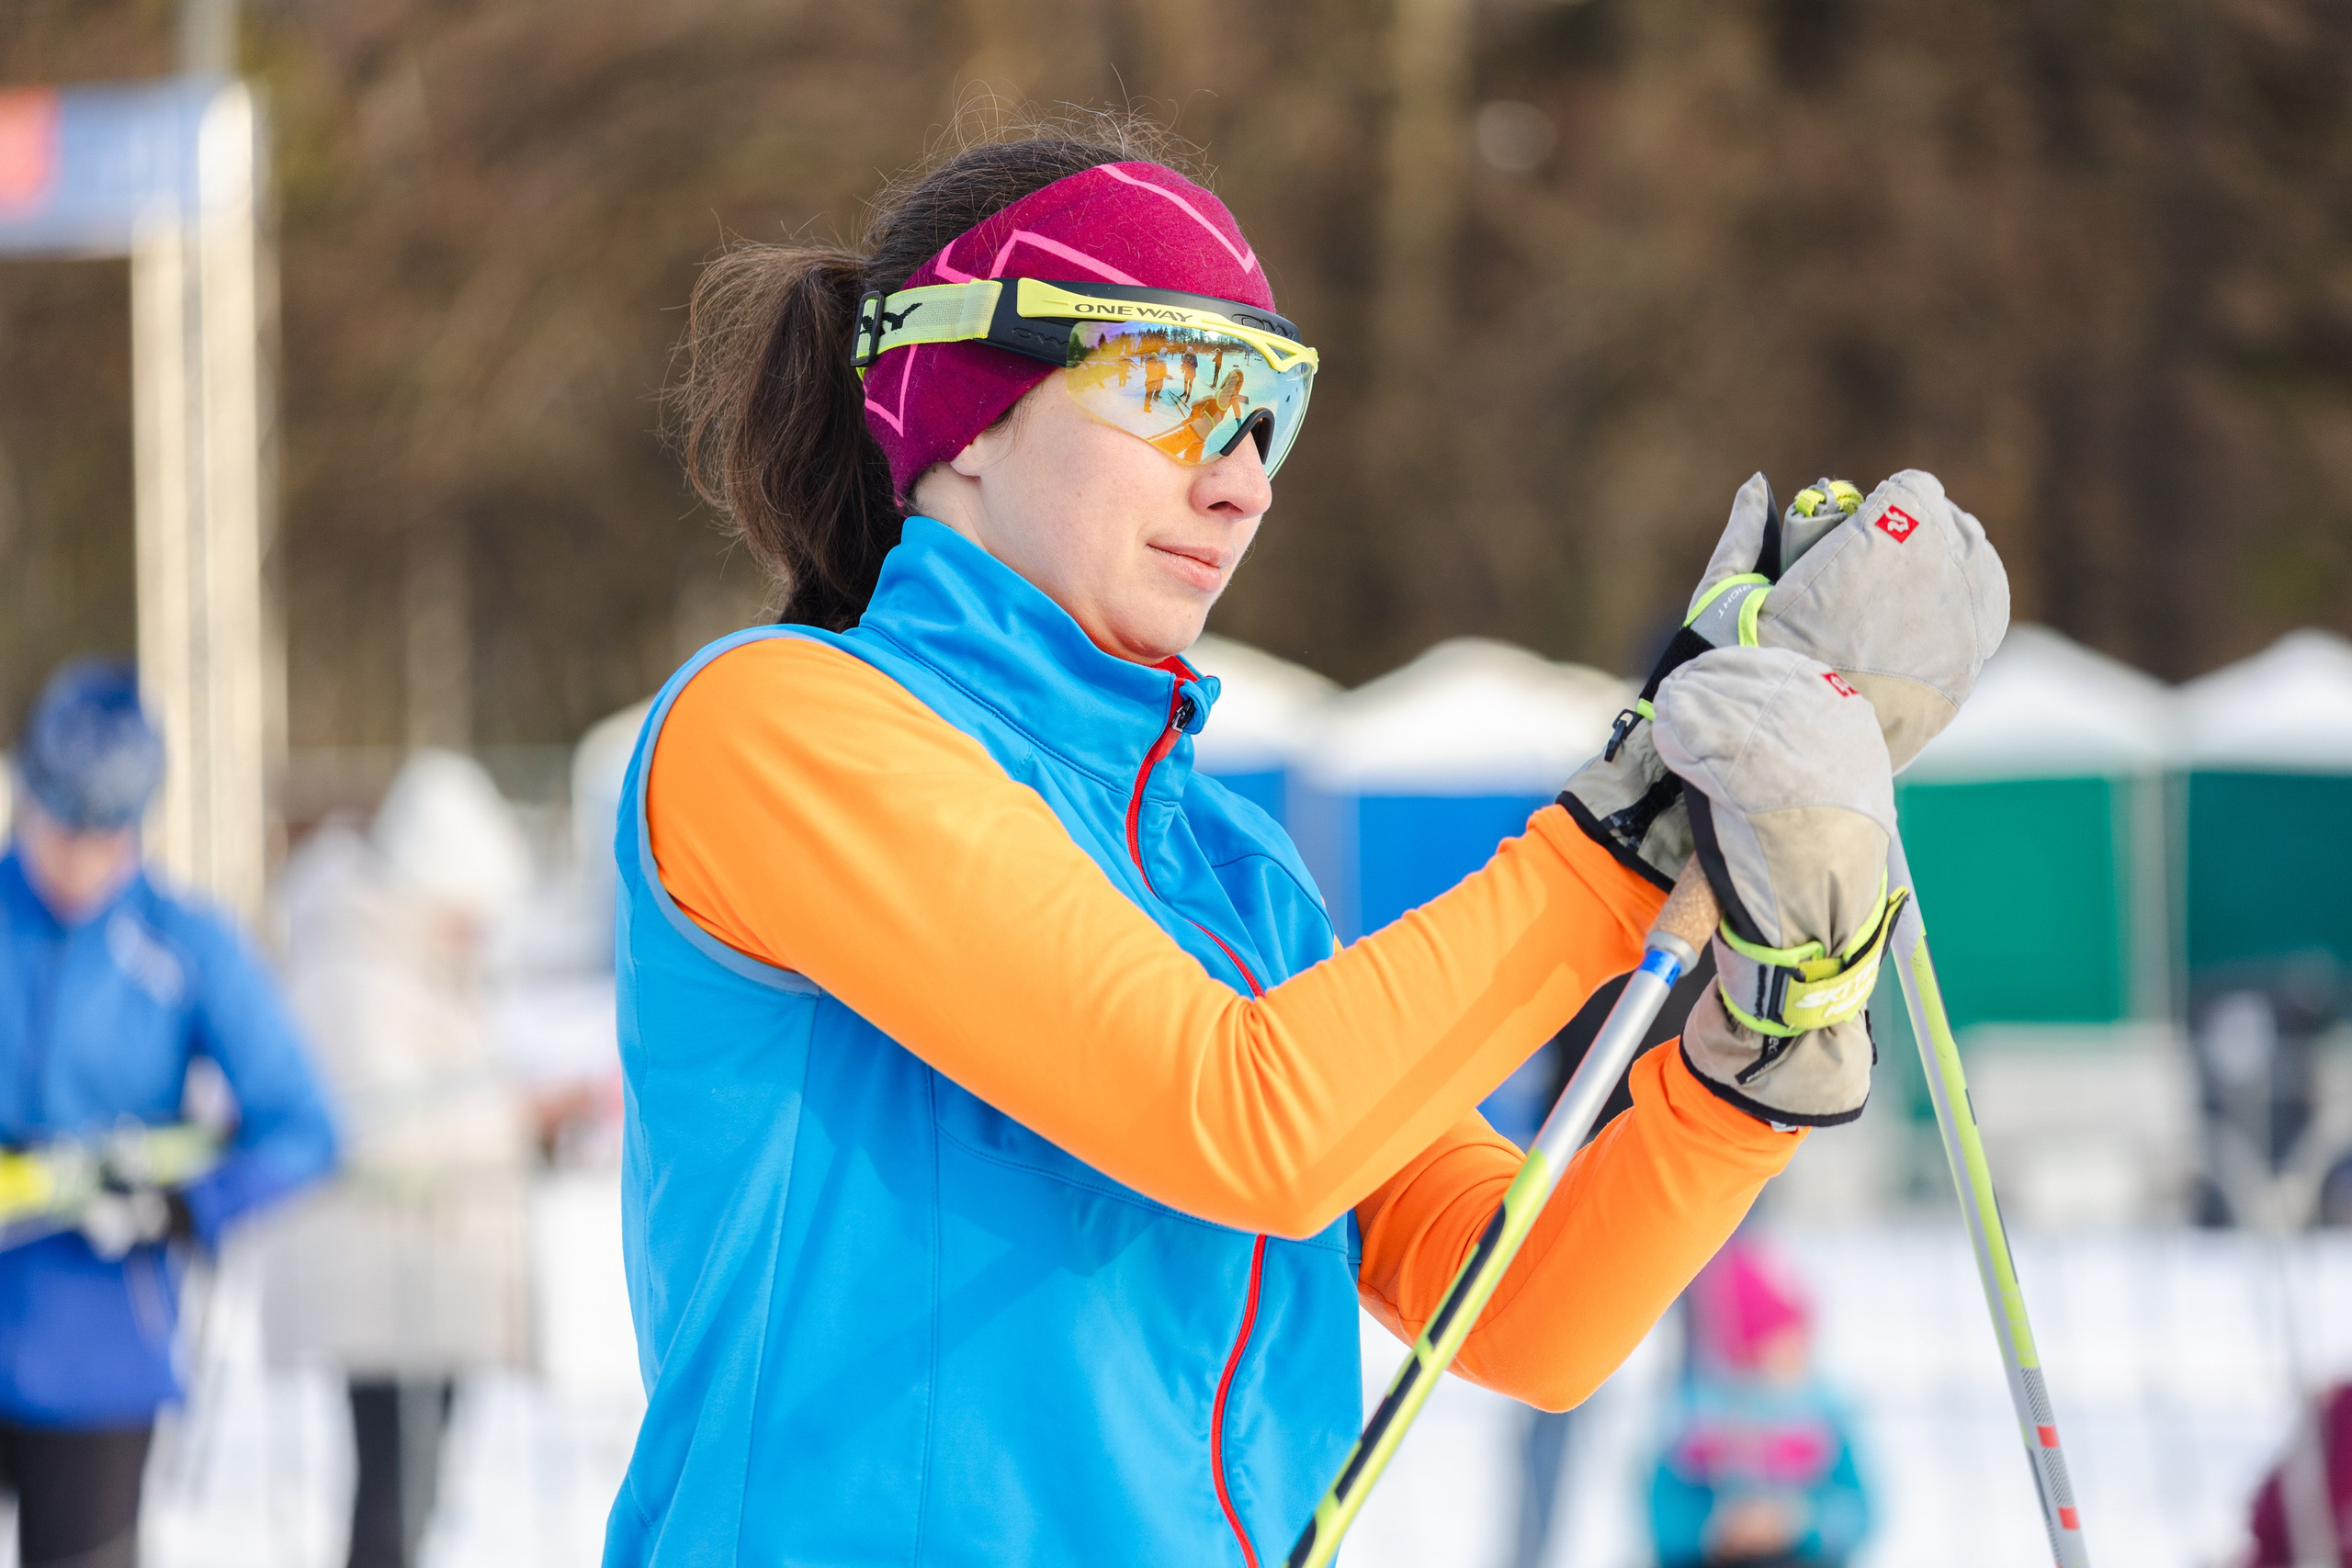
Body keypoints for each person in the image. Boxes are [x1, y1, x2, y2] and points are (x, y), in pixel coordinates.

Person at [616, 116, 2005, 1564]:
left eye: (1267, 410)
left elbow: (1519, 1311)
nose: (1244, 479)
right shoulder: (779, 730)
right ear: (963, 404)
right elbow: (1241, 1120)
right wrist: (1634, 828)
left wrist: (1752, 1067)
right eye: (1177, 391)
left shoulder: (1230, 874)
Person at [0, 660, 338, 1568]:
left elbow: (303, 1127)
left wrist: (180, 1206)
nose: (78, 859)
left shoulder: (186, 943)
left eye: (105, 834)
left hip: (100, 1353)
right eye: (60, 825)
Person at [260, 750, 539, 1568]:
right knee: (393, 1498)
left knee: (416, 1497)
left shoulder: (420, 959)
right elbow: (380, 1127)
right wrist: (521, 1119)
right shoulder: (350, 965)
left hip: (433, 1276)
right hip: (384, 1281)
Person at [1648, 1236, 1871, 1568]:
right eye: (1780, 1348)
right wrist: (1712, 1526)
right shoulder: (1696, 1429)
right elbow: (1663, 1518)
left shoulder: (1820, 1423)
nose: (1797, 1358)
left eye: (1799, 1344)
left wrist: (1802, 1520)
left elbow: (1861, 1511)